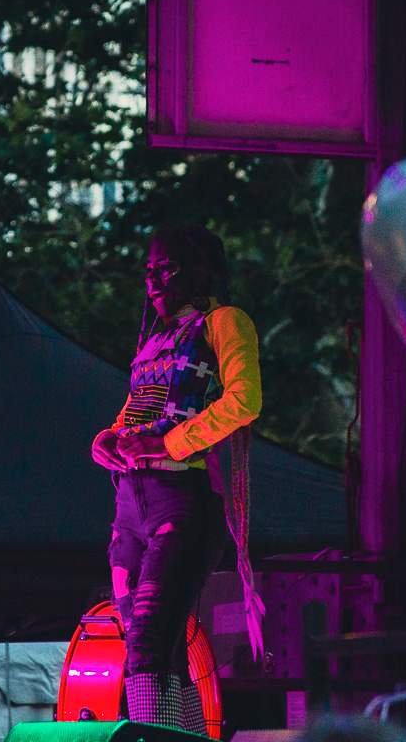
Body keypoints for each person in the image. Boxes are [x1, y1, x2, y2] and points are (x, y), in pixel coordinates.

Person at [91, 225, 266, 732]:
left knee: (148, 640)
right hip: (132, 504)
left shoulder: (224, 322)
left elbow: (244, 400)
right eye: (148, 272)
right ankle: (185, 734)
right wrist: (110, 436)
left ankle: (157, 739)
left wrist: (168, 444)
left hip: (181, 499)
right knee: (152, 645)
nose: (153, 281)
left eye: (164, 269)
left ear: (200, 272)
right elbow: (136, 413)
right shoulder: (155, 339)